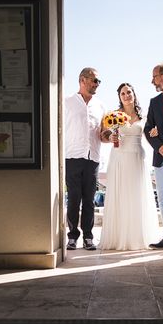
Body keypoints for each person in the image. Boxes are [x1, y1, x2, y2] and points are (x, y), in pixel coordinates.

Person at [99, 83, 160, 250]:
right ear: (120, 97)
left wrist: (156, 133)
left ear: (134, 94)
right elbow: (104, 135)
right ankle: (119, 237)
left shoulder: (145, 117)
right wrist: (110, 136)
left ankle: (136, 236)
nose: (126, 95)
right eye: (123, 93)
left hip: (137, 158)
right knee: (121, 194)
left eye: (129, 92)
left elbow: (151, 134)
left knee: (136, 195)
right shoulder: (113, 116)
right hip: (119, 158)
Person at [64, 67, 105, 250]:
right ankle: (72, 237)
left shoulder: (101, 106)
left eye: (98, 81)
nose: (97, 84)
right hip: (72, 156)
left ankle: (88, 237)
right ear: (82, 80)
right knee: (73, 198)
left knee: (89, 199)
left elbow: (102, 134)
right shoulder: (66, 102)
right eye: (94, 80)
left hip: (93, 158)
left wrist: (110, 134)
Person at [144, 63, 163, 253]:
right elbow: (148, 129)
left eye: (154, 76)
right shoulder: (154, 102)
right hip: (160, 157)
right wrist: (159, 146)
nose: (152, 80)